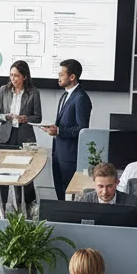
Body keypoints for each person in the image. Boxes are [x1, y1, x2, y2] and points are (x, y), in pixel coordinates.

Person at [0, 59, 42, 210]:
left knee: (24, 173)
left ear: (24, 77)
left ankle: (26, 207)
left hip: (24, 137)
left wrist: (25, 118)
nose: (13, 79)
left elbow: (38, 117)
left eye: (16, 76)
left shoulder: (33, 93)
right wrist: (5, 116)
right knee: (3, 172)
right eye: (11, 75)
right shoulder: (4, 90)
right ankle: (2, 206)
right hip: (5, 136)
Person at [44, 58, 92, 200]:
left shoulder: (81, 98)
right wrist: (54, 129)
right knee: (60, 193)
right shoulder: (65, 95)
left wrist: (58, 131)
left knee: (69, 195)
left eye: (61, 74)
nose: (58, 77)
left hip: (70, 157)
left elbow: (82, 129)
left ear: (72, 77)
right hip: (58, 153)